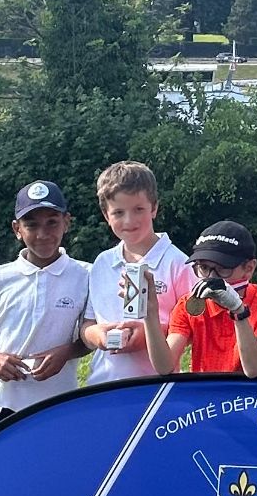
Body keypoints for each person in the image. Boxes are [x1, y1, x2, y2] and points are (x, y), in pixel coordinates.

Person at [0, 180, 91, 433]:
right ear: (17, 229)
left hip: (60, 403)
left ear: (66, 222)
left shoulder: (85, 275)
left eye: (52, 222)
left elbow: (89, 337)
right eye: (31, 225)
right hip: (4, 405)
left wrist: (66, 352)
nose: (42, 234)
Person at [79, 160, 187, 382]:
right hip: (103, 385)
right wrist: (99, 337)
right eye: (118, 212)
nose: (129, 221)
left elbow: (196, 328)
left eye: (139, 209)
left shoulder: (179, 264)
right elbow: (88, 325)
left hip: (157, 385)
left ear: (154, 208)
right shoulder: (102, 263)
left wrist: (147, 334)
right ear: (106, 215)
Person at [166, 220, 257, 378]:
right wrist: (150, 312)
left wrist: (239, 311)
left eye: (223, 268)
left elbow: (253, 369)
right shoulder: (186, 304)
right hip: (206, 390)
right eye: (204, 267)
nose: (211, 277)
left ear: (249, 268)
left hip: (248, 392)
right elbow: (165, 366)